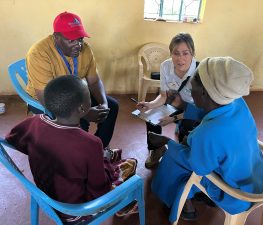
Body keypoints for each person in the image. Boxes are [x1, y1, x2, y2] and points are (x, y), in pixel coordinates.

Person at [5, 76, 137, 224]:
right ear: (82, 108)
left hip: (45, 195)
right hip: (76, 210)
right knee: (130, 164)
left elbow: (12, 139)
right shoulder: (91, 144)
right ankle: (122, 204)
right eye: (88, 95)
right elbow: (100, 189)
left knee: (107, 156)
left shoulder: (33, 122)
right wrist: (103, 160)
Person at [150, 57, 263, 222]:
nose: (190, 86)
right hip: (255, 176)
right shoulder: (236, 102)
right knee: (187, 148)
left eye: (194, 82)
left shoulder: (207, 133)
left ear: (205, 92)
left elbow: (198, 166)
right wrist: (182, 105)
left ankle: (182, 204)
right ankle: (197, 197)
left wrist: (165, 142)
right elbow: (213, 111)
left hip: (235, 195)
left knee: (172, 159)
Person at [25, 11, 118, 149]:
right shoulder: (39, 53)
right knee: (79, 120)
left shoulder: (85, 50)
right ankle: (78, 153)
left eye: (80, 39)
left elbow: (94, 81)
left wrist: (103, 103)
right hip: (47, 97)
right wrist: (85, 113)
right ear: (56, 37)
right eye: (71, 40)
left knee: (111, 106)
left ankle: (98, 147)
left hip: (73, 93)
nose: (78, 45)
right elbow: (45, 97)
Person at [136, 33, 205, 169]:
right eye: (176, 53)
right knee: (150, 114)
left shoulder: (200, 71)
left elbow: (202, 110)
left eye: (185, 53)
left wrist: (174, 119)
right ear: (170, 53)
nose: (180, 59)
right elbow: (163, 96)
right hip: (175, 103)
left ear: (192, 54)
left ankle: (182, 152)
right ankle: (157, 149)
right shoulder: (165, 66)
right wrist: (149, 105)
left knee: (187, 137)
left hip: (194, 110)